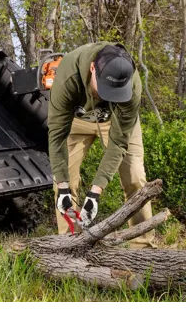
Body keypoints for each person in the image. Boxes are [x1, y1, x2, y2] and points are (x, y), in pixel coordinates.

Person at [47, 41, 155, 249]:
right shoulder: (67, 74)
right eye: (105, 88)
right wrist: (62, 187)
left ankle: (142, 248)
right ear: (93, 68)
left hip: (115, 121)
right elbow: (57, 135)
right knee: (64, 181)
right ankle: (72, 246)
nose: (109, 95)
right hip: (77, 120)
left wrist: (95, 193)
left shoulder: (133, 85)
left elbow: (118, 142)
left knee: (135, 177)